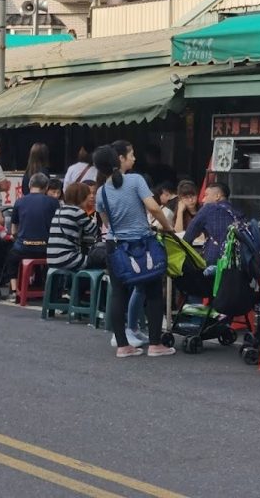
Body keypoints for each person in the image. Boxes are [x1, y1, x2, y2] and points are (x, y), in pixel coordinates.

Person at [94, 143, 176, 358]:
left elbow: (106, 222)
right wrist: (167, 227)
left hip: (116, 245)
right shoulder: (136, 180)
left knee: (118, 292)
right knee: (153, 292)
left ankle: (122, 346)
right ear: (118, 159)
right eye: (132, 154)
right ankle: (156, 344)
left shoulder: (101, 192)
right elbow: (154, 207)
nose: (135, 158)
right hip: (142, 244)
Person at [7, 172, 59, 301]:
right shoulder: (53, 202)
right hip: (46, 250)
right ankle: (51, 291)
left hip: (23, 249)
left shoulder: (19, 202)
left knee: (11, 258)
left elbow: (14, 230)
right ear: (46, 187)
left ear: (30, 185)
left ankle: (14, 290)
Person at [46, 182, 99, 271]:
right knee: (102, 259)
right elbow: (95, 232)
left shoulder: (59, 211)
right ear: (82, 198)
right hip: (68, 259)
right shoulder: (77, 212)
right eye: (87, 196)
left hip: (52, 259)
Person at [184, 181, 239, 265]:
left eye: (206, 195)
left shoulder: (209, 208)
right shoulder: (236, 212)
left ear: (217, 196)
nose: (203, 200)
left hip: (215, 263)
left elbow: (188, 236)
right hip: (236, 263)